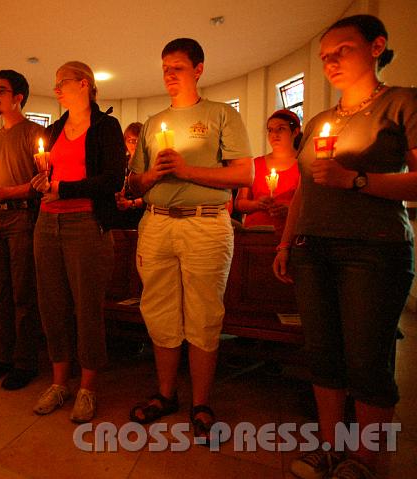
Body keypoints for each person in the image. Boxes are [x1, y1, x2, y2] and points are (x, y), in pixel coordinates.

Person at [273, 15, 416, 479]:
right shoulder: (319, 121)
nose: (331, 61)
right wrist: (285, 241)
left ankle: (365, 459)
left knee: (368, 357)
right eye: (325, 57)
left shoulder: (401, 104)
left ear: (377, 46)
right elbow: (301, 190)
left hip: (372, 249)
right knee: (323, 355)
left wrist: (357, 180)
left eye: (343, 50)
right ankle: (332, 448)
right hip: (312, 249)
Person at [126, 38, 253, 440]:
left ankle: (201, 401)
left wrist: (186, 170)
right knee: (159, 311)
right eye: (165, 67)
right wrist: (151, 176)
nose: (169, 74)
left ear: (199, 69)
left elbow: (243, 175)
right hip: (157, 223)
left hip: (205, 224)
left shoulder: (222, 115)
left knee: (203, 314)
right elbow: (132, 184)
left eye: (177, 67)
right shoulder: (151, 124)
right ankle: (166, 395)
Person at [29, 61, 124, 422]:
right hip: (47, 223)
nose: (56, 90)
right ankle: (58, 383)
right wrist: (41, 184)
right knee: (51, 306)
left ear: (83, 84)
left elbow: (113, 180)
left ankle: (87, 387)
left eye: (61, 83)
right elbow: (46, 176)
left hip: (86, 223)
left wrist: (61, 188)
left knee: (86, 309)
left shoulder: (105, 127)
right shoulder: (54, 131)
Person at [0, 70, 44, 390]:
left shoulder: (34, 133)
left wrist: (3, 193)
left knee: (22, 295)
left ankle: (26, 361)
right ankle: (4, 356)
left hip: (21, 220)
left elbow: (40, 184)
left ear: (18, 97)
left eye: (1, 91)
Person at [235, 109, 301, 235]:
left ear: (295, 132)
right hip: (256, 233)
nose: (274, 134)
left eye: (281, 129)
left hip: (289, 234)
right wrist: (257, 204)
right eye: (270, 130)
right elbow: (239, 203)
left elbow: (312, 205)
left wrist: (291, 209)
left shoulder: (303, 164)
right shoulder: (255, 164)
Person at [114, 122, 145, 229]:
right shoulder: (121, 162)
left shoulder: (150, 164)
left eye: (138, 141)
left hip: (143, 215)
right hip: (122, 215)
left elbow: (155, 196)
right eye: (130, 141)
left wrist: (132, 203)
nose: (134, 144)